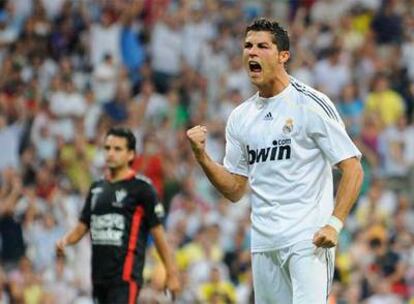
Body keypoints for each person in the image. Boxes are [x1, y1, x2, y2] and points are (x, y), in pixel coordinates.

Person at [186, 18, 364, 304]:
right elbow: (234, 189)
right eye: (247, 46)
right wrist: (201, 156)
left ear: (283, 56)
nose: (252, 53)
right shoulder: (240, 117)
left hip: (308, 239)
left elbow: (352, 167)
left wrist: (335, 224)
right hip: (263, 243)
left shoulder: (310, 104)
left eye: (262, 46)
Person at [56, 127, 180, 303]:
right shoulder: (97, 188)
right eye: (107, 148)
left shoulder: (142, 189)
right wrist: (65, 241)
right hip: (99, 277)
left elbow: (158, 233)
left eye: (117, 149)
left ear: (130, 154)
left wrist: (172, 273)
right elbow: (83, 225)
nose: (111, 154)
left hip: (125, 277)